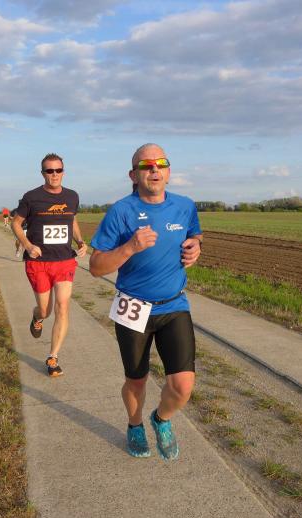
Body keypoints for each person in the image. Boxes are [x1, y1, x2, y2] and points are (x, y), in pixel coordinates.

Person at [89, 143, 202, 461]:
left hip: (173, 306)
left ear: (168, 171)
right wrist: (129, 248)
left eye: (160, 163)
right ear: (133, 175)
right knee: (136, 381)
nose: (154, 169)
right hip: (134, 308)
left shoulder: (185, 206)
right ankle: (135, 424)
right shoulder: (121, 211)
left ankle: (161, 419)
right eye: (146, 165)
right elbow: (95, 267)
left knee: (182, 386)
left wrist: (196, 246)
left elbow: (195, 235)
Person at [12, 153, 88, 377]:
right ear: (43, 173)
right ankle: (37, 318)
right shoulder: (31, 197)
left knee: (62, 306)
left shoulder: (72, 196)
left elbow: (72, 219)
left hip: (64, 261)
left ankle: (53, 357)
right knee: (45, 310)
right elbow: (16, 223)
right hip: (39, 263)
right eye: (49, 171)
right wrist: (27, 245)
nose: (54, 174)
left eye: (58, 170)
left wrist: (80, 241)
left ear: (63, 172)